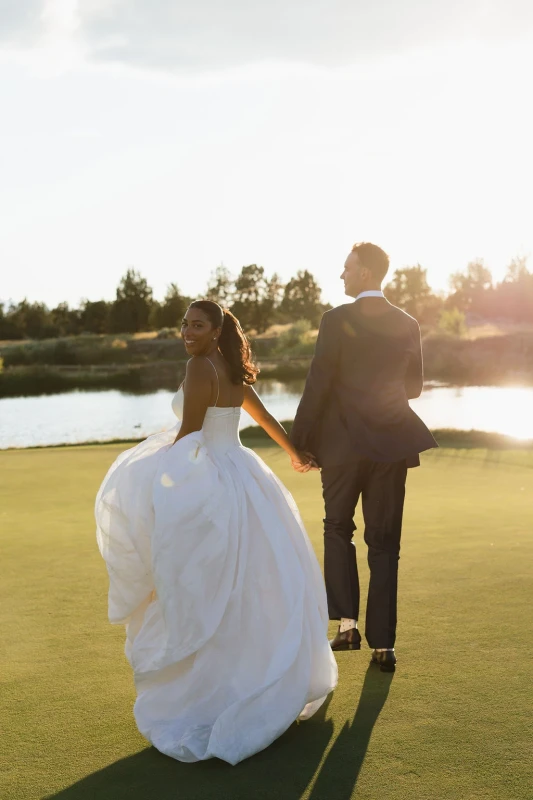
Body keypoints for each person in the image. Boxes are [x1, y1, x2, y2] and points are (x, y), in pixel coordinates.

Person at [95, 300, 337, 765]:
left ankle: (215, 693)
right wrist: (293, 453)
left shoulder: (198, 366)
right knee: (252, 581)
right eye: (185, 324)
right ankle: (257, 679)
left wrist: (153, 481)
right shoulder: (229, 367)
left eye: (197, 325)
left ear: (215, 329)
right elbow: (263, 418)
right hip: (244, 473)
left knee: (206, 582)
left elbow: (188, 435)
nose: (187, 331)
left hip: (211, 475)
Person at [291, 242, 437, 672]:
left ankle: (348, 626)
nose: (342, 276)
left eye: (347, 269)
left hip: (341, 447)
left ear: (367, 274)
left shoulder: (335, 320)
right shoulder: (408, 322)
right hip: (391, 445)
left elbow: (318, 382)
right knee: (385, 543)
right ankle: (384, 647)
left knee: (338, 528)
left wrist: (299, 441)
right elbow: (413, 389)